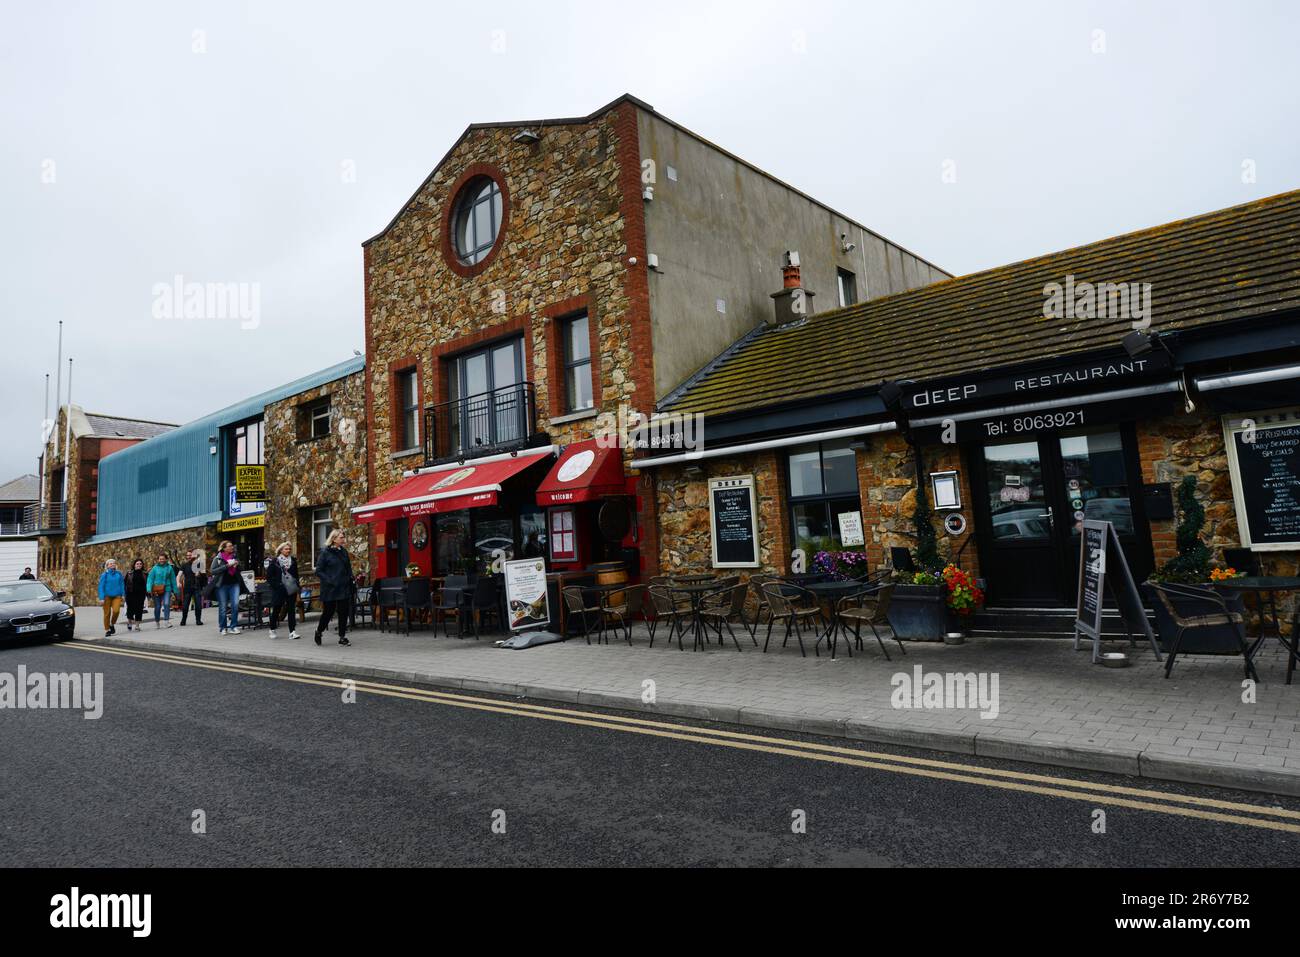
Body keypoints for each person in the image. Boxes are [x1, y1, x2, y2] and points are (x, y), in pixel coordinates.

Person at [314, 529, 354, 646]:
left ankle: (342, 637)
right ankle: (319, 631)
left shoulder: (344, 552)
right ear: (334, 539)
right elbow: (319, 571)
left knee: (343, 612)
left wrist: (350, 577)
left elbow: (348, 567)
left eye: (343, 537)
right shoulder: (325, 552)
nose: (343, 540)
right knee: (328, 612)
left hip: (343, 587)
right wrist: (330, 580)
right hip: (330, 588)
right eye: (341, 538)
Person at [207, 540, 249, 635]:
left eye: (232, 546)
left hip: (234, 584)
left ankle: (233, 626)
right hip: (222, 585)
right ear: (224, 548)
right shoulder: (218, 558)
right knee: (223, 607)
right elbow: (212, 571)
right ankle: (223, 627)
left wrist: (237, 565)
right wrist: (227, 566)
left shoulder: (235, 556)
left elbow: (241, 568)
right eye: (230, 546)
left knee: (235, 605)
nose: (232, 548)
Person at [264, 542, 300, 640]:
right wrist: (277, 585)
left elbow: (296, 574)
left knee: (291, 610)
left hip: (291, 589)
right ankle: (272, 629)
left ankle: (292, 632)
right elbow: (269, 577)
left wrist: (296, 585)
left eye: (289, 549)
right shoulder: (275, 562)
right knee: (276, 609)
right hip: (279, 589)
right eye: (286, 549)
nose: (288, 551)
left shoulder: (293, 561)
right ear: (280, 550)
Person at [146, 552, 176, 629]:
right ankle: (157, 621)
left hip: (167, 588)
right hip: (156, 589)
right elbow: (150, 579)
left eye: (163, 559)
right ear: (158, 560)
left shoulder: (170, 568)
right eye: (160, 559)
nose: (161, 560)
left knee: (166, 604)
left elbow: (173, 579)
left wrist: (175, 590)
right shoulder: (154, 568)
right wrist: (149, 588)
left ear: (166, 559)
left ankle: (166, 621)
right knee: (158, 606)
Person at [97, 559, 126, 637]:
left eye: (114, 563)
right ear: (107, 565)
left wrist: (123, 594)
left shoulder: (119, 574)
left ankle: (112, 624)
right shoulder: (104, 575)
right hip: (106, 597)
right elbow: (101, 587)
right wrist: (101, 598)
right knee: (107, 613)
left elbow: (122, 585)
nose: (113, 564)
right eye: (110, 563)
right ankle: (107, 629)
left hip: (117, 596)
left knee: (116, 611)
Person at [177, 549, 203, 626]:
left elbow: (202, 574)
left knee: (198, 605)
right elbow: (179, 575)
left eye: (190, 555)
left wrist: (198, 574)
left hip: (197, 587)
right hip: (187, 588)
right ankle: (183, 619)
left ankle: (198, 620)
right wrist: (178, 582)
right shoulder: (184, 565)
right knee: (185, 606)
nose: (188, 557)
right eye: (187, 556)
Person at [124, 558, 148, 631]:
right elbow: (124, 583)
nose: (139, 565)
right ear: (134, 565)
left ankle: (137, 626)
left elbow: (148, 583)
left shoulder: (145, 574)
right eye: (137, 564)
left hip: (141, 595)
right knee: (130, 610)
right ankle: (129, 622)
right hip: (130, 594)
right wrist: (124, 594)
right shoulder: (129, 573)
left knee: (139, 610)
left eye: (140, 564)